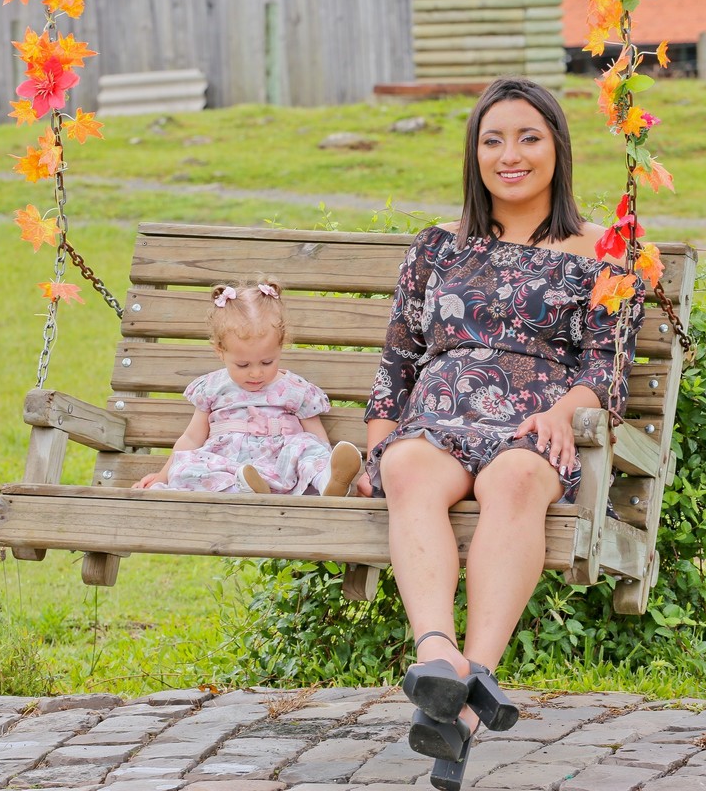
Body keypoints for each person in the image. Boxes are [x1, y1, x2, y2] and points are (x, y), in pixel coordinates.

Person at [357, 77, 645, 790]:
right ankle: (440, 657)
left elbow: (607, 370)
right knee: (406, 468)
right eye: (492, 140)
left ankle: (470, 684)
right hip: (438, 416)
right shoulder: (437, 247)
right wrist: (377, 447)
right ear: (474, 154)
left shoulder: (606, 252)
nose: (509, 155)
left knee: (516, 479)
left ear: (558, 148)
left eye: (527, 138)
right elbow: (397, 364)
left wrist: (562, 413)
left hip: (534, 422)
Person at [133, 280, 363, 497]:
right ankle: (242, 489)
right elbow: (192, 439)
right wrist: (162, 477)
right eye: (243, 365)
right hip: (229, 467)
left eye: (267, 362)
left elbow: (318, 439)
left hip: (282, 467)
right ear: (220, 351)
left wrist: (323, 461)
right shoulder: (212, 387)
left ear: (281, 346)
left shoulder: (296, 389)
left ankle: (327, 481)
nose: (256, 373)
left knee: (306, 445)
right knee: (187, 466)